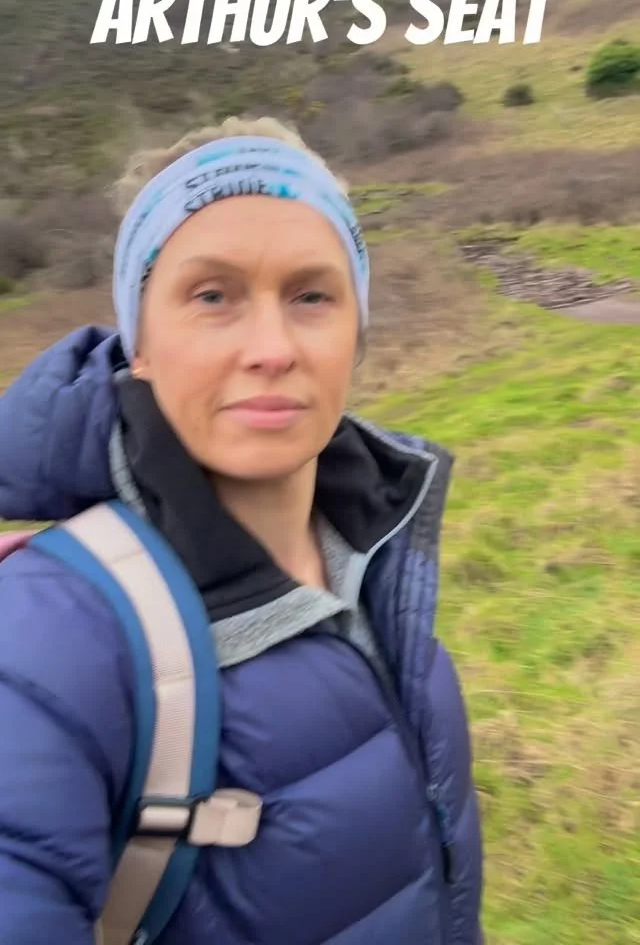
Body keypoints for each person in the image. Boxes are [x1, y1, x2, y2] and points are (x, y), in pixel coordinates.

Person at [0, 117, 483, 944]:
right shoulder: (41, 645)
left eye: (311, 296)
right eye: (212, 296)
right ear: (139, 344)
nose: (271, 348)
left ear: (356, 334)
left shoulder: (381, 565)